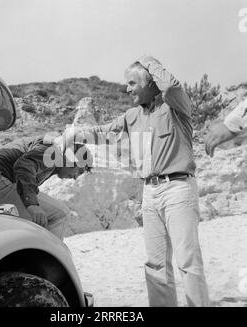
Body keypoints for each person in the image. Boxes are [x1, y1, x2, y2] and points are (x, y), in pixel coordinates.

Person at [64, 55, 209, 306]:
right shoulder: (132, 116)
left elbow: (172, 86)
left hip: (178, 189)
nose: (126, 88)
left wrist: (147, 60)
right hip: (150, 193)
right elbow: (104, 132)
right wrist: (75, 133)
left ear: (150, 83)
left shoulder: (175, 107)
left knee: (188, 262)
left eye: (132, 83)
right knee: (155, 264)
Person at [0, 135, 93, 241]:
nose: (76, 177)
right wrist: (31, 204)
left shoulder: (47, 156)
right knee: (59, 214)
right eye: (79, 171)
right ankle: (45, 265)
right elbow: (24, 165)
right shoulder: (54, 151)